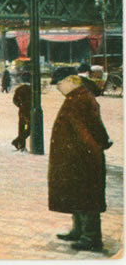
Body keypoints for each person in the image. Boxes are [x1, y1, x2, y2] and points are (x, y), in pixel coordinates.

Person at [49, 75, 112, 252]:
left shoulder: (81, 99)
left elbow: (93, 125)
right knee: (76, 193)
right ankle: (79, 230)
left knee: (87, 195)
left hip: (84, 155)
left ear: (73, 83)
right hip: (75, 156)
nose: (59, 86)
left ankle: (91, 237)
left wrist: (101, 143)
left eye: (62, 83)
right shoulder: (75, 98)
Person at [11, 73, 32, 151]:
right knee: (30, 128)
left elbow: (14, 100)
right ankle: (17, 141)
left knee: (21, 127)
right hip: (29, 110)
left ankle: (21, 145)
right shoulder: (31, 89)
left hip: (22, 110)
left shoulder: (19, 89)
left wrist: (20, 105)